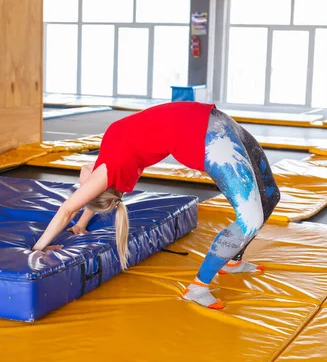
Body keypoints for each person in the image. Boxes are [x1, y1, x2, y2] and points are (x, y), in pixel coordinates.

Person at [32, 102, 280, 309]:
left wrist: (82, 223)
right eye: (85, 188)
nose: (81, 181)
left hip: (216, 118)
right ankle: (198, 287)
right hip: (207, 138)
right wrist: (39, 247)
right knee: (250, 219)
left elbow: (88, 194)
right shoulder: (111, 169)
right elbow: (68, 209)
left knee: (271, 195)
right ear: (99, 188)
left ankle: (232, 260)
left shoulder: (106, 160)